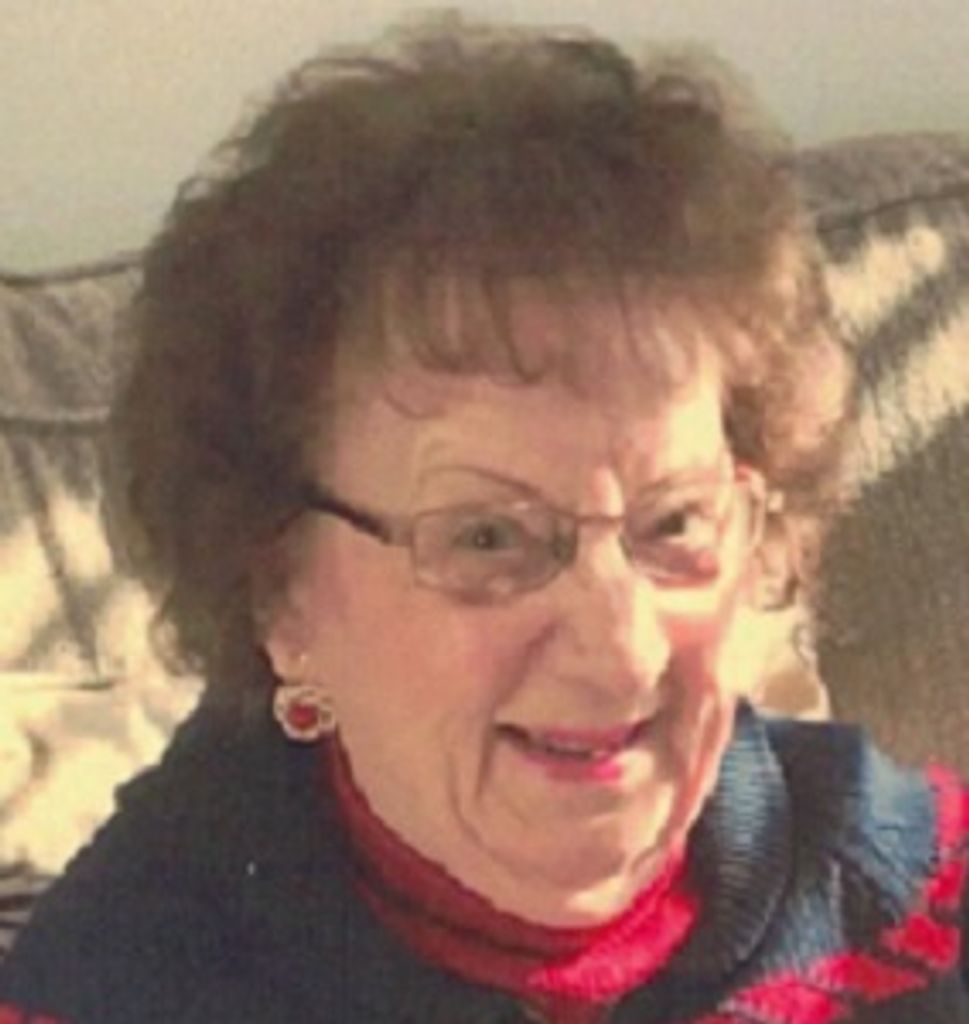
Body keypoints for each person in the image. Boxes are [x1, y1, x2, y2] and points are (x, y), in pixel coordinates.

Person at [2, 14, 966, 1023]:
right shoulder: (126, 982)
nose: (621, 649)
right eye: (490, 538)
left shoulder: (892, 886)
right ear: (278, 591)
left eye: (674, 522)